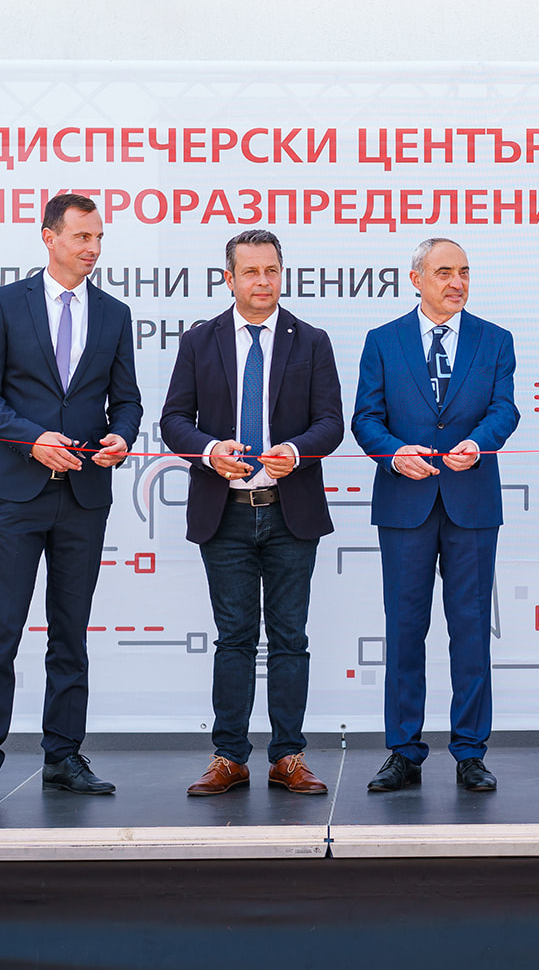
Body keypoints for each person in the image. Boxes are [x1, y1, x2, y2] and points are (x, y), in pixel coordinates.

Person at [0, 193, 142, 806]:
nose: (93, 248)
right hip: (18, 492)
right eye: (82, 236)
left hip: (85, 496)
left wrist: (121, 436)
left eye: (99, 237)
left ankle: (63, 756)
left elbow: (127, 400)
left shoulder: (114, 313)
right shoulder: (5, 304)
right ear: (49, 237)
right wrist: (32, 440)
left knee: (70, 634)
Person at [161, 229, 343, 796]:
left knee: (290, 637)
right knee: (234, 637)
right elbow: (174, 420)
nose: (263, 281)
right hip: (226, 513)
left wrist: (296, 451)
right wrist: (209, 451)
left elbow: (331, 422)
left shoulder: (311, 341)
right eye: (251, 272)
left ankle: (288, 756)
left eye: (271, 270)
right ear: (229, 278)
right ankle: (229, 757)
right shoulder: (200, 341)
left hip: (291, 512)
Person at [351, 237, 519, 793]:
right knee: (404, 631)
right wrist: (394, 454)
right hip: (406, 503)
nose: (457, 282)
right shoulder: (383, 341)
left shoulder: (495, 340)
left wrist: (479, 442)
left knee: (470, 631)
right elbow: (365, 418)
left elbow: (504, 409)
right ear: (416, 279)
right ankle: (403, 752)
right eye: (444, 272)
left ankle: (470, 752)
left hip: (472, 502)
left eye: (464, 272)